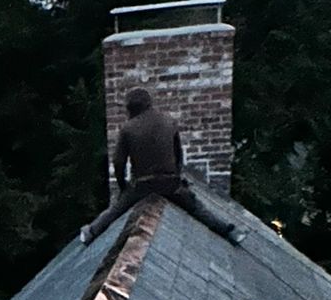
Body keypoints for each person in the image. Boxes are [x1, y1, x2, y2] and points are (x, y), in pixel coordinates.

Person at [79, 89, 241, 245]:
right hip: (170, 183)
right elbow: (178, 154)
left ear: (130, 109)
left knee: (115, 210)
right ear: (149, 103)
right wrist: (177, 177)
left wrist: (124, 188)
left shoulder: (127, 129)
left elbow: (118, 162)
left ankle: (90, 233)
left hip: (142, 185)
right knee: (197, 207)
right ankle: (227, 230)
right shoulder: (169, 121)